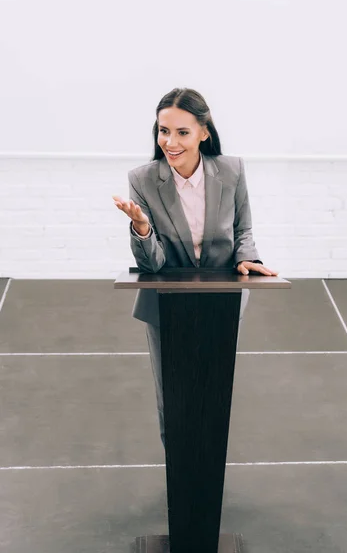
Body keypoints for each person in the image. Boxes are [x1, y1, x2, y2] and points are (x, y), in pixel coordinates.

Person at [113, 87, 278, 448]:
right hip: (166, 305)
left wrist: (247, 257)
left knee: (213, 393)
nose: (170, 142)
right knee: (173, 397)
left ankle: (208, 467)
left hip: (221, 301)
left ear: (204, 131)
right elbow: (152, 264)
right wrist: (141, 227)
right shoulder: (143, 179)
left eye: (182, 132)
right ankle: (179, 470)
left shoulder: (231, 170)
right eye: (163, 131)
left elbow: (242, 229)